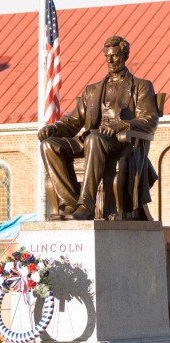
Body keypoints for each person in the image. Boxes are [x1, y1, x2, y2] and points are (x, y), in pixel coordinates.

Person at [38, 35, 159, 220]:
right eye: (107, 56)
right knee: (49, 145)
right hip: (90, 140)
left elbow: (149, 120)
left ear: (125, 56)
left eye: (115, 56)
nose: (110, 60)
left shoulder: (141, 86)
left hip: (120, 143)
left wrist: (122, 125)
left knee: (94, 139)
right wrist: (53, 129)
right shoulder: (92, 90)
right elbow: (72, 122)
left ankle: (86, 205)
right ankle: (70, 204)